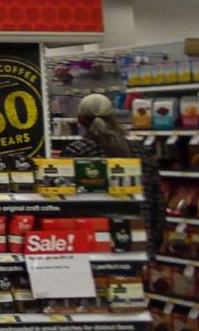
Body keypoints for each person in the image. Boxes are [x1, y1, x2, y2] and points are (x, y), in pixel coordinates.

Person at [64, 93, 164, 251]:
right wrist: (155, 237)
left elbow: (68, 203)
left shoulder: (78, 151)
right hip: (140, 237)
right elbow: (157, 197)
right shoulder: (140, 150)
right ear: (113, 118)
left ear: (80, 120)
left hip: (97, 239)